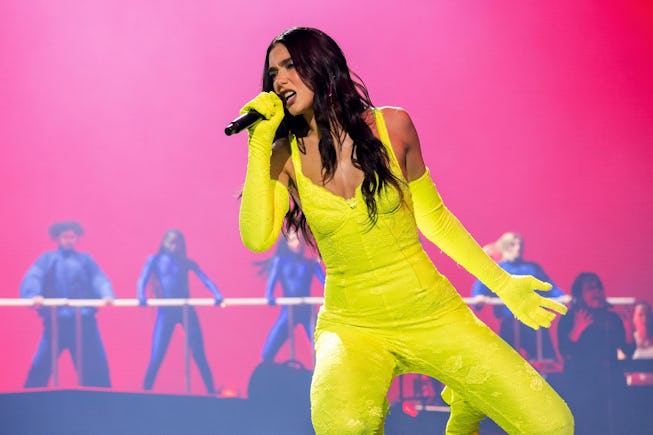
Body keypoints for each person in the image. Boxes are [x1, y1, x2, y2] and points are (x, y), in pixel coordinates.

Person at [237, 27, 573, 434]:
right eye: (272, 73)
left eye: (289, 65)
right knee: (343, 427)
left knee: (552, 425)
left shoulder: (392, 126)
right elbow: (256, 238)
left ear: (322, 65)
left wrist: (504, 285)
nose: (279, 79)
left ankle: (467, 396)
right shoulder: (282, 157)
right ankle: (466, 390)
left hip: (430, 311)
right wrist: (259, 144)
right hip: (352, 326)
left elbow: (435, 218)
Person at [19, 221, 114, 387]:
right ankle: (27, 404)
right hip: (57, 323)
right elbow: (34, 276)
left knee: (95, 366)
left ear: (76, 239)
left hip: (84, 324)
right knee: (40, 365)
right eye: (65, 237)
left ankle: (102, 405)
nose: (69, 240)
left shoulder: (85, 260)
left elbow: (99, 279)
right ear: (58, 239)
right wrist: (33, 295)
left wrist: (106, 295)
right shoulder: (48, 259)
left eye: (72, 237)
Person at [137, 229, 224, 394]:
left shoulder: (185, 262)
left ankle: (212, 391)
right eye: (170, 241)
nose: (173, 245)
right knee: (157, 355)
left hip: (186, 310)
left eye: (177, 242)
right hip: (166, 311)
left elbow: (205, 279)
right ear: (164, 242)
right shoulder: (155, 260)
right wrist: (140, 295)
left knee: (199, 354)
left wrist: (217, 294)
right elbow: (143, 278)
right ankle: (144, 392)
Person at [557, 272, 635, 435]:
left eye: (598, 287)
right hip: (583, 386)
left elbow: (627, 350)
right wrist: (577, 331)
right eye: (590, 288)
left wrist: (628, 330)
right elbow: (565, 351)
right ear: (580, 294)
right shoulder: (570, 318)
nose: (596, 291)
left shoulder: (612, 318)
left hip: (610, 383)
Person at [471, 232, 566, 362]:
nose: (518, 248)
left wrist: (562, 298)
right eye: (512, 244)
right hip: (510, 322)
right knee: (506, 360)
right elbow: (480, 287)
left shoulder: (532, 268)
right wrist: (479, 298)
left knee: (544, 358)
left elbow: (549, 287)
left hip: (533, 321)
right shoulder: (498, 268)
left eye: (519, 244)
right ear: (505, 247)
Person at [257, 230, 325, 362]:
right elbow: (271, 283)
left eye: (300, 239)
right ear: (287, 243)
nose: (298, 243)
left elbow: (325, 283)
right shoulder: (280, 262)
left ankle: (318, 380)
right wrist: (269, 295)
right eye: (293, 240)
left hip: (307, 312)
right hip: (288, 311)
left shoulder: (311, 264)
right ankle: (269, 377)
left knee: (321, 350)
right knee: (267, 353)